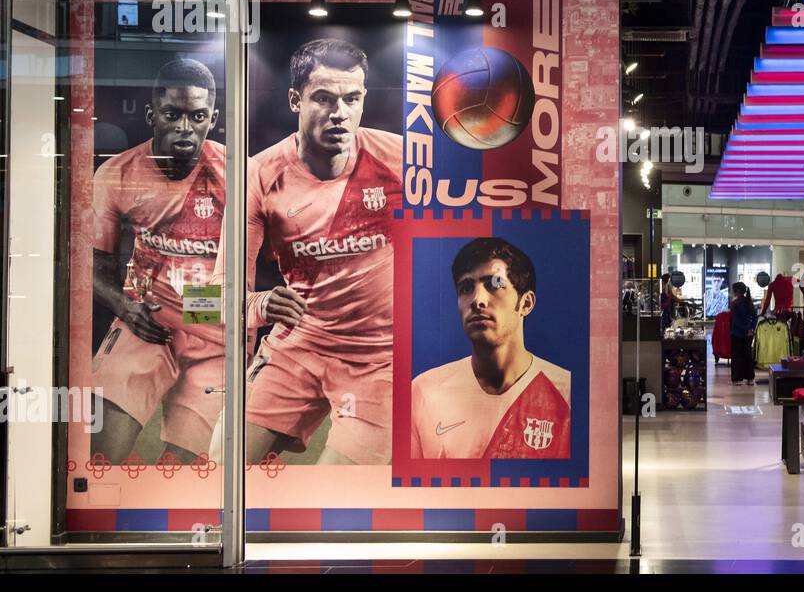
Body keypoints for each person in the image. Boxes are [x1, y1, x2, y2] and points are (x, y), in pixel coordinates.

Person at [213, 38, 402, 465]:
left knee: (338, 499)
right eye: (324, 98)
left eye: (352, 98)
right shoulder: (257, 177)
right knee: (221, 471)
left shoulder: (404, 161)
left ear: (364, 99)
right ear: (295, 99)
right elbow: (206, 304)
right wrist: (260, 305)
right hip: (297, 348)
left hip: (379, 361)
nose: (340, 113)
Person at [91, 59, 225, 464]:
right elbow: (93, 265)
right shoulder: (116, 174)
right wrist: (124, 306)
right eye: (173, 115)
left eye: (197, 117)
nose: (185, 129)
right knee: (100, 458)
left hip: (212, 326)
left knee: (183, 473)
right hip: (145, 316)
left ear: (212, 119)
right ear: (153, 116)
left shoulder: (238, 175)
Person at [411, 237, 571, 459]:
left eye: (495, 284)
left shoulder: (567, 393)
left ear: (526, 303)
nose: (478, 300)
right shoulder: (424, 390)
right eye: (466, 287)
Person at [729, 282, 757, 386]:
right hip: (748, 335)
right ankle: (750, 378)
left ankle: (736, 379)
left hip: (737, 334)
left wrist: (745, 330)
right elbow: (755, 317)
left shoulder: (734, 304)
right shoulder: (749, 301)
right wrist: (751, 329)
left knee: (736, 357)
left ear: (736, 291)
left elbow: (736, 321)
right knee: (748, 355)